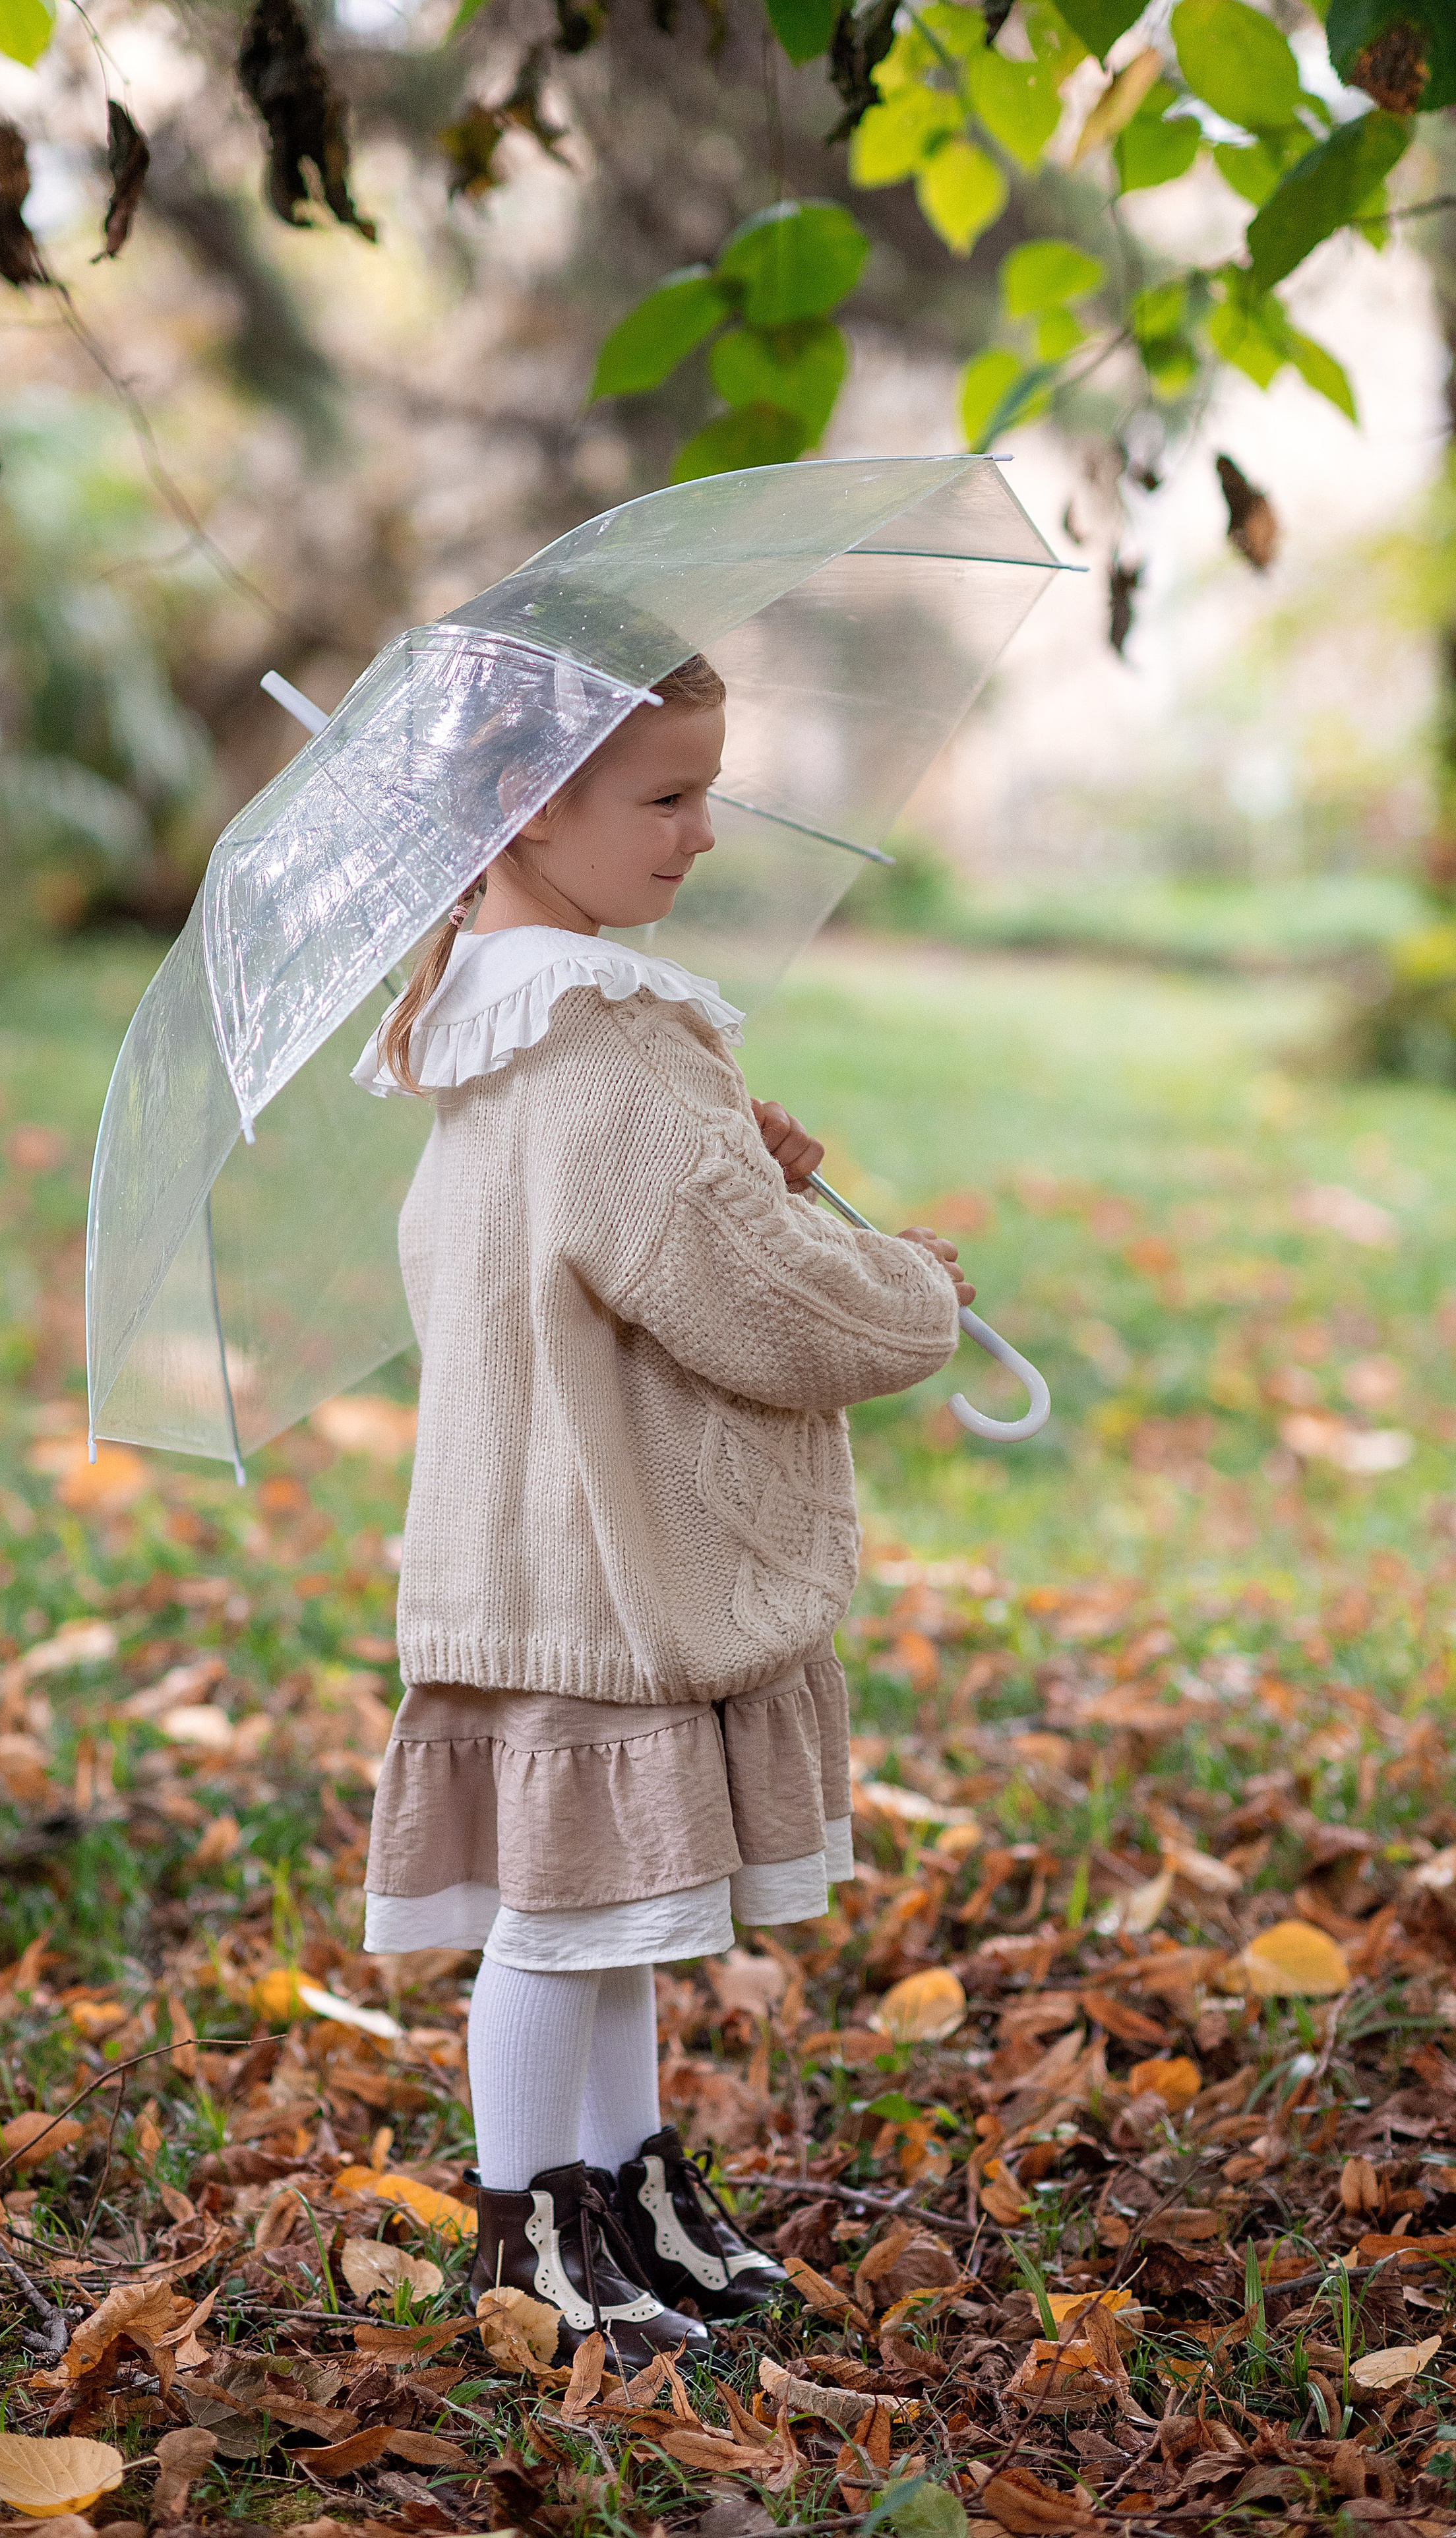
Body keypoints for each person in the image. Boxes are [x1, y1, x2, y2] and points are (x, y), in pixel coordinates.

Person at [351, 650, 973, 2361]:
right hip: (606, 1576)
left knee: (610, 1906)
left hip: (528, 1554)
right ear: (526, 812)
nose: (704, 832)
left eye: (707, 789)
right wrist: (908, 1290)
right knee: (562, 1926)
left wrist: (746, 1173)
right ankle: (529, 2228)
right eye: (667, 796)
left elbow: (622, 1248)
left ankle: (616, 2184)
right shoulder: (611, 1047)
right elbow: (749, 1299)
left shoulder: (482, 1027)